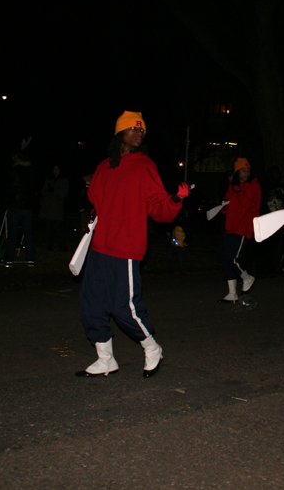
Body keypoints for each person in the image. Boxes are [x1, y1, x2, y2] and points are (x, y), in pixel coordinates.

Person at [76, 111, 189, 379]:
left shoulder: (144, 166)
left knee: (124, 306)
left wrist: (174, 200)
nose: (139, 134)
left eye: (142, 131)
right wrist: (91, 184)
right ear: (120, 135)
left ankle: (152, 347)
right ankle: (106, 359)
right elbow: (97, 200)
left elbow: (158, 209)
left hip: (126, 247)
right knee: (91, 303)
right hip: (100, 246)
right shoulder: (104, 166)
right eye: (133, 129)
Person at [219, 157, 261, 302]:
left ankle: (247, 278)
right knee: (226, 259)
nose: (246, 173)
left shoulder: (253, 185)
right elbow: (228, 205)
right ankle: (232, 293)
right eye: (243, 170)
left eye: (248, 170)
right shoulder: (233, 186)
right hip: (230, 227)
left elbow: (253, 206)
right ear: (237, 172)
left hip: (243, 227)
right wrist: (223, 206)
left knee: (232, 258)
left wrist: (239, 192)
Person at [1, 151, 37, 267]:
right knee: (28, 233)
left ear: (17, 159)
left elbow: (9, 188)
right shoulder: (31, 171)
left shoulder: (14, 171)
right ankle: (30, 259)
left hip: (15, 206)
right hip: (27, 207)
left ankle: (9, 259)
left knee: (12, 233)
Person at [39, 164, 69, 251]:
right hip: (48, 207)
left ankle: (62, 245)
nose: (56, 171)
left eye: (57, 169)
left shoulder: (64, 180)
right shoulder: (49, 179)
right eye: (54, 169)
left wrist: (54, 191)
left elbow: (64, 194)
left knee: (58, 228)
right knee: (48, 228)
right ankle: (49, 245)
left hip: (57, 208)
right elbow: (43, 191)